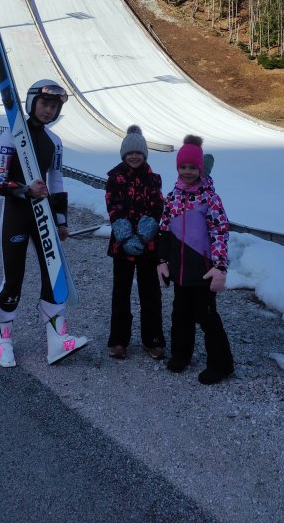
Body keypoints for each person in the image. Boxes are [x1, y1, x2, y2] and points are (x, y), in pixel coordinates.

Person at [0, 79, 87, 368]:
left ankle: (58, 341)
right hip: (17, 214)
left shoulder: (54, 143)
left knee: (54, 277)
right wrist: (25, 190)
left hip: (42, 215)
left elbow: (55, 181)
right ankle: (2, 338)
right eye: (45, 104)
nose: (48, 110)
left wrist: (61, 220)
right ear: (33, 102)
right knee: (13, 281)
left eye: (54, 107)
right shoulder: (11, 135)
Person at [157, 134, 234, 384]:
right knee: (180, 315)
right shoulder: (173, 197)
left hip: (203, 270)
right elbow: (165, 230)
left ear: (200, 168)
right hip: (180, 271)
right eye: (183, 167)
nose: (187, 171)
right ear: (177, 167)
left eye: (192, 167)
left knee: (207, 317)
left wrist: (220, 265)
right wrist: (162, 260)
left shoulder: (209, 198)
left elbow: (220, 232)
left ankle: (222, 364)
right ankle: (181, 355)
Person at [105, 125, 165, 360]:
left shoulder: (153, 179)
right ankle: (119, 340)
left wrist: (143, 234)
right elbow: (113, 206)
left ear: (145, 154)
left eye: (138, 152)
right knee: (121, 292)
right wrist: (125, 234)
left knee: (150, 294)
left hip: (148, 246)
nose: (134, 156)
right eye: (130, 152)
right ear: (123, 154)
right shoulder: (114, 178)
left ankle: (153, 339)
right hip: (122, 246)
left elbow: (157, 206)